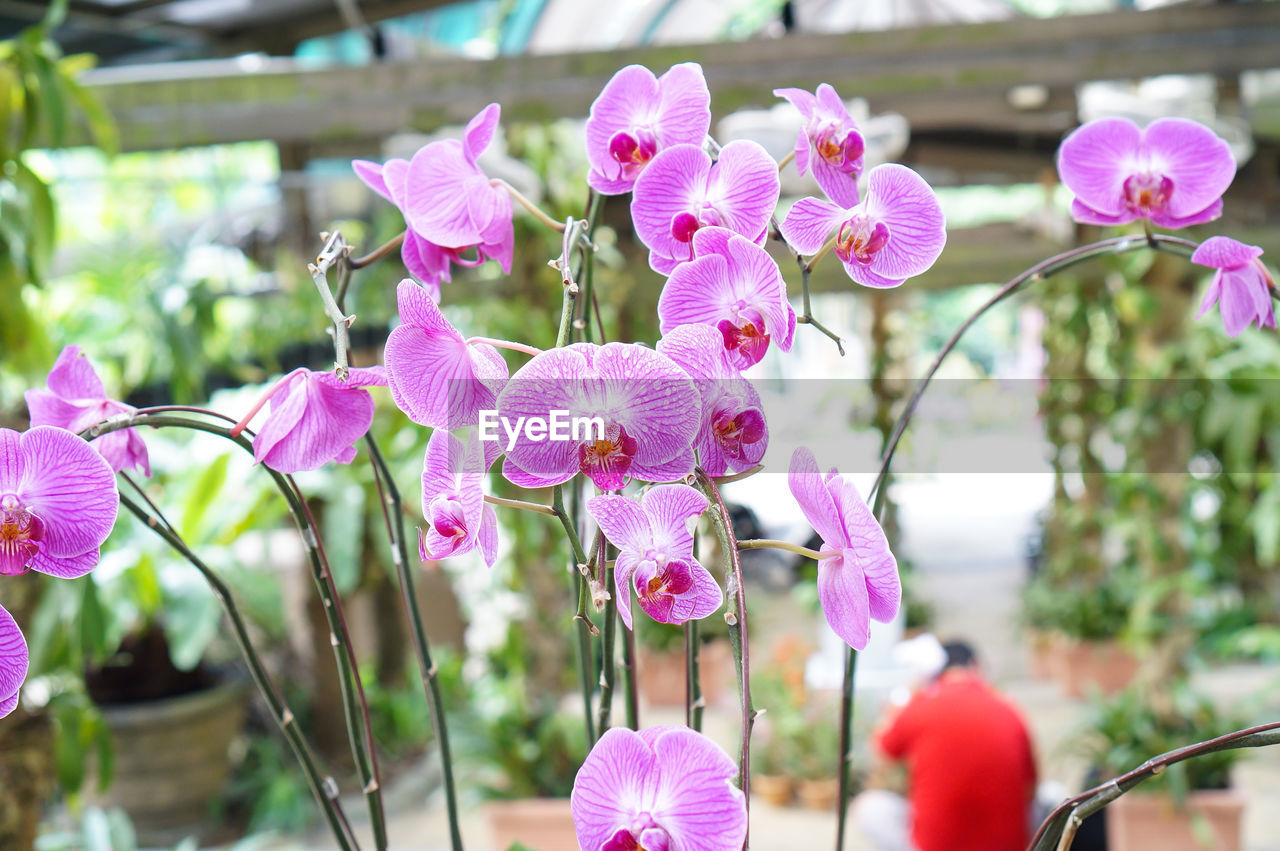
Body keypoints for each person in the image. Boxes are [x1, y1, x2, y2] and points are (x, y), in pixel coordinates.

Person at [855, 640, 1038, 851]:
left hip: (935, 845)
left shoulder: (920, 704)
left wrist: (904, 698)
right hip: (1006, 846)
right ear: (975, 665)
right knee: (1051, 794)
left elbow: (880, 754)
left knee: (870, 807)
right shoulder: (1008, 708)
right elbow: (1030, 789)